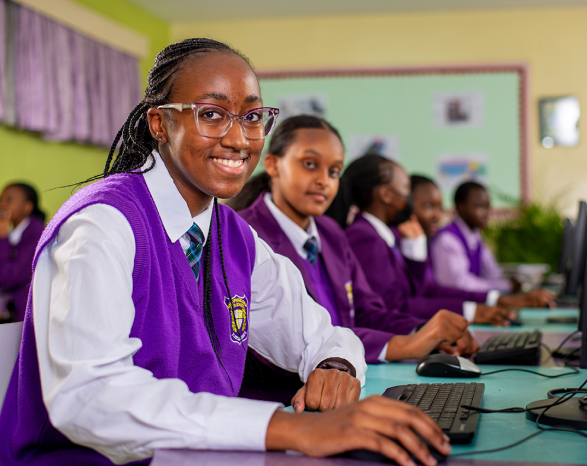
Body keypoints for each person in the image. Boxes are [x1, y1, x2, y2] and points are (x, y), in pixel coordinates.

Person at [0, 39, 450, 466]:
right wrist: (293, 430)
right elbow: (89, 398)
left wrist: (335, 366)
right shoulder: (102, 224)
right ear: (160, 123)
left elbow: (323, 333)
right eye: (212, 114)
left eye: (252, 118)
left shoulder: (232, 235)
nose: (239, 139)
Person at [233, 115, 478, 375]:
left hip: (350, 379)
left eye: (334, 171)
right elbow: (284, 343)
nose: (323, 180)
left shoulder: (331, 233)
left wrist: (426, 332)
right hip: (283, 398)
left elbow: (366, 312)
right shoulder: (243, 235)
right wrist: (404, 345)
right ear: (272, 165)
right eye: (309, 164)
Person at [326, 153, 509, 326]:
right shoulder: (364, 236)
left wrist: (487, 301)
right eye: (406, 189)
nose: (409, 198)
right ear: (386, 194)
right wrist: (468, 311)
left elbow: (421, 291)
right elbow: (392, 306)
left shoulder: (385, 235)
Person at [430, 180, 555, 307]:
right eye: (479, 207)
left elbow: (492, 271)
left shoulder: (474, 235)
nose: (486, 213)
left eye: (487, 207)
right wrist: (505, 286)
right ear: (460, 207)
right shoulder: (447, 239)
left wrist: (509, 283)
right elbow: (459, 283)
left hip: (474, 305)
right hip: (454, 309)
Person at [0, 182, 46, 322]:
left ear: (28, 207)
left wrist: (2, 238)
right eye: (1, 200)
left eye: (9, 200)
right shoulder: (13, 231)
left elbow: (8, 278)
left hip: (25, 316)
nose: (2, 205)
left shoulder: (36, 233)